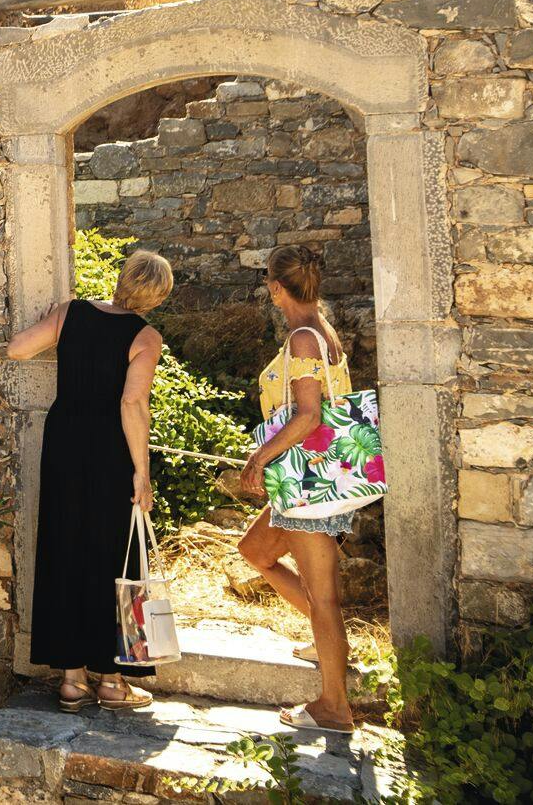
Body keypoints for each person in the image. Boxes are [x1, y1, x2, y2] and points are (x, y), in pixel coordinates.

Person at [9, 249, 174, 711]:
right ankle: (113, 682)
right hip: (109, 454)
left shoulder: (71, 313)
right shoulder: (145, 335)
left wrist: (55, 323)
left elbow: (17, 348)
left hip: (63, 447)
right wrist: (142, 473)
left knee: (65, 547)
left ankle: (71, 680)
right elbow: (131, 404)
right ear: (156, 296)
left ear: (123, 278)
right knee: (115, 559)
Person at [232, 244, 357, 736]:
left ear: (276, 288)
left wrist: (259, 457)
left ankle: (334, 706)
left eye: (268, 283)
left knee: (324, 599)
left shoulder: (305, 339)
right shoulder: (322, 329)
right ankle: (330, 647)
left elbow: (309, 416)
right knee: (255, 551)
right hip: (305, 481)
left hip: (310, 483)